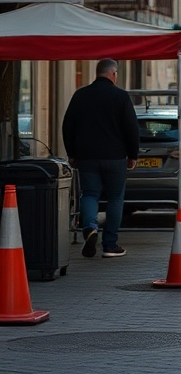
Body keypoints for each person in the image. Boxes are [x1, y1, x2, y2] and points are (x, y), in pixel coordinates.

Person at [61, 58, 139, 259]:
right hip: (115, 157)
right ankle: (110, 245)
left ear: (97, 73)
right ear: (113, 74)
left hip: (86, 157)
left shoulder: (80, 95)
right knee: (115, 198)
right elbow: (131, 129)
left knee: (89, 194)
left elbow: (67, 126)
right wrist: (133, 155)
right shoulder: (121, 97)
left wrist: (72, 154)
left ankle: (89, 227)